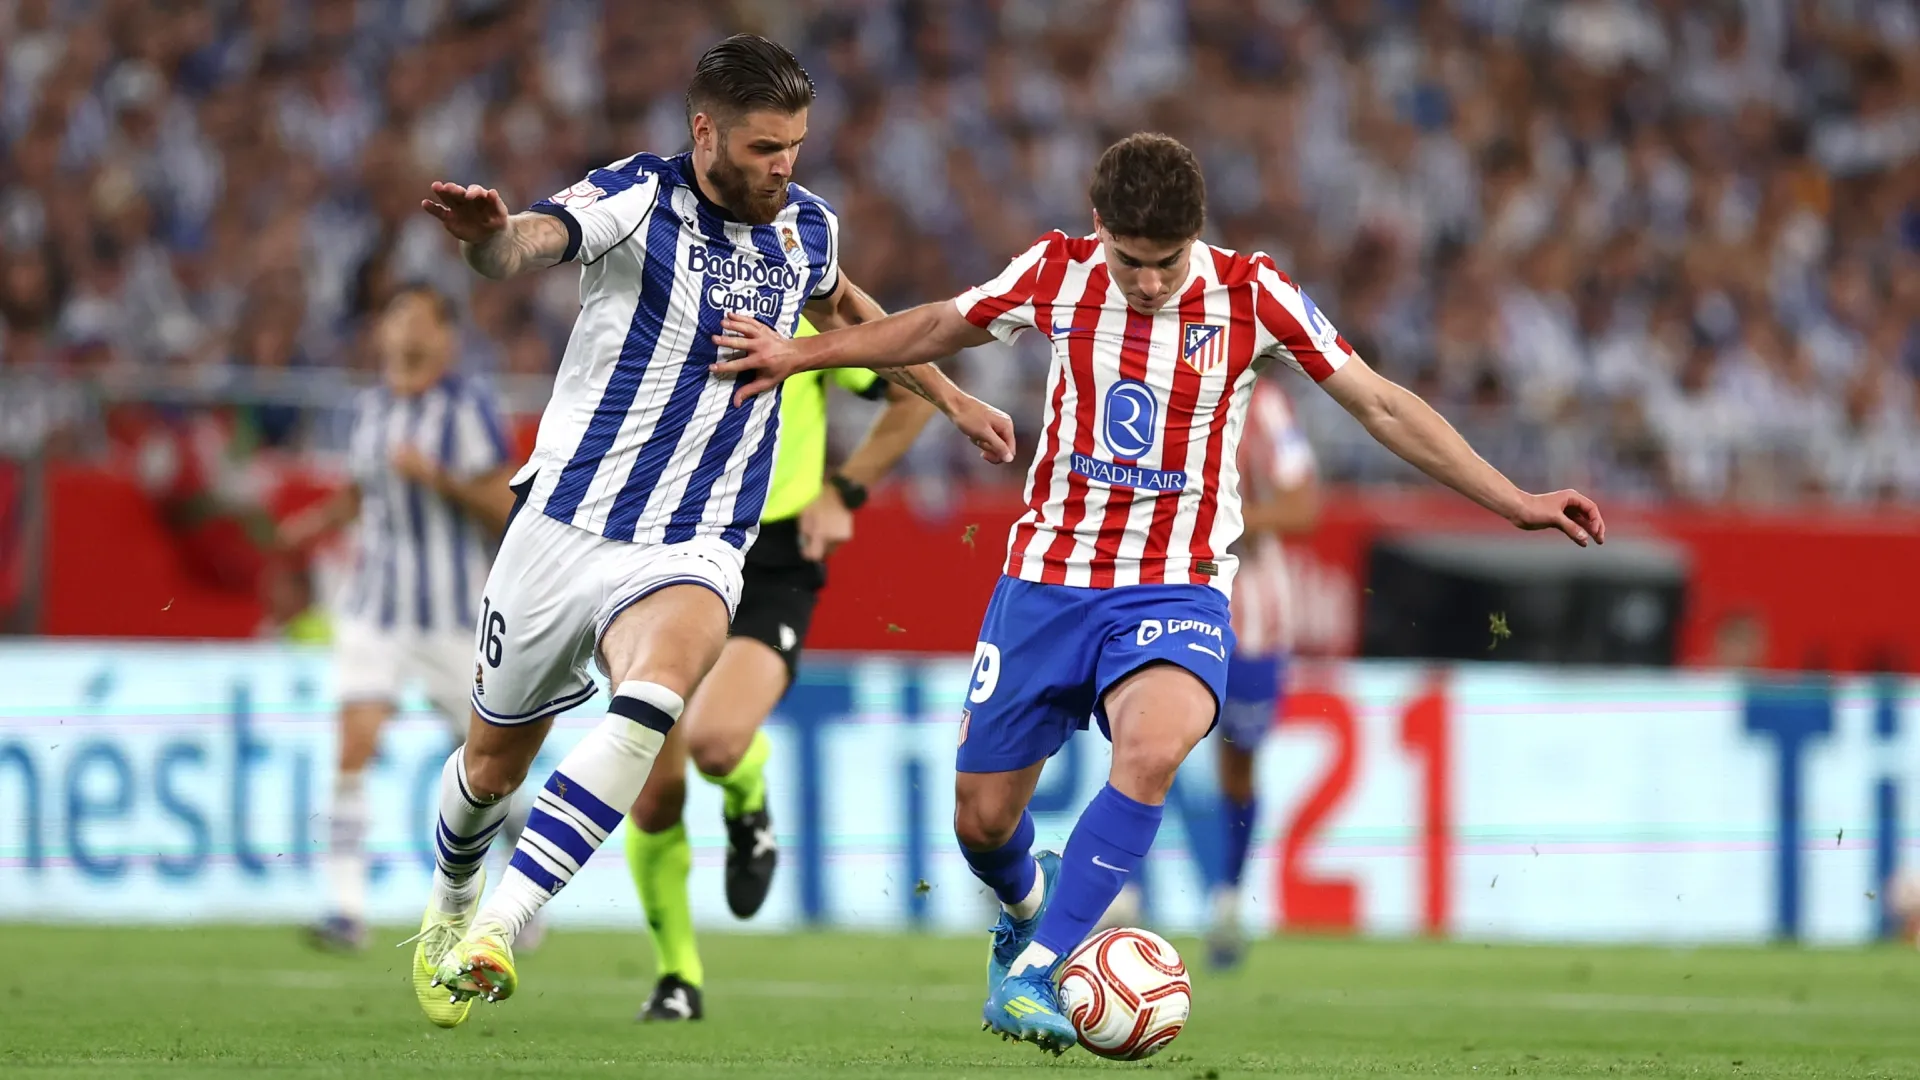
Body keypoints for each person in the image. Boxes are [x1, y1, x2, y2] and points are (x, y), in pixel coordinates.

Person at [711, 131, 1606, 1053]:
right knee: (981, 821)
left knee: (1151, 750)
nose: (1146, 282)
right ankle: (1031, 904)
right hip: (1047, 580)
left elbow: (1379, 402)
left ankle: (1033, 971)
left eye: (1166, 262)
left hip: (1176, 585)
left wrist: (1515, 500)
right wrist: (798, 354)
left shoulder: (1254, 293)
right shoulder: (1056, 273)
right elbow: (938, 323)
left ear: (1197, 235)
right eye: (1130, 261)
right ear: (1099, 228)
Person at [407, 34, 1012, 1028]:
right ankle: (455, 897)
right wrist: (486, 236)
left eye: (797, 146)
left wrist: (952, 401)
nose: (786, 167)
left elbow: (851, 307)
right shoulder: (637, 198)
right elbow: (525, 247)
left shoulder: (803, 228)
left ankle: (498, 929)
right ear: (705, 132)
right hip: (564, 523)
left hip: (698, 538)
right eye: (768, 147)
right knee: (487, 769)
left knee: (657, 696)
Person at [624, 315, 934, 1021]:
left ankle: (747, 797)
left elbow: (912, 393)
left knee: (717, 742)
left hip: (772, 561)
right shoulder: (665, 294)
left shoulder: (800, 302)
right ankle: (678, 977)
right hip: (660, 552)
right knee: (653, 796)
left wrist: (846, 489)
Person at [278, 284, 521, 952]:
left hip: (453, 615)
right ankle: (346, 911)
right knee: (353, 746)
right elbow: (365, 491)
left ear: (446, 337)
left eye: (420, 316)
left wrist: (438, 478)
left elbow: (506, 507)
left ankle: (524, 893)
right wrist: (320, 519)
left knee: (487, 767)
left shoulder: (467, 408)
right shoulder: (368, 409)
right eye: (395, 316)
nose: (405, 330)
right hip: (374, 609)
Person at [1099, 378, 1319, 969]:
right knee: (1144, 743)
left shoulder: (1265, 405)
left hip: (1251, 616)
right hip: (1158, 598)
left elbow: (1303, 505)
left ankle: (1225, 900)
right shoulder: (1145, 383)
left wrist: (1222, 522)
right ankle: (1125, 897)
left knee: (1237, 764)